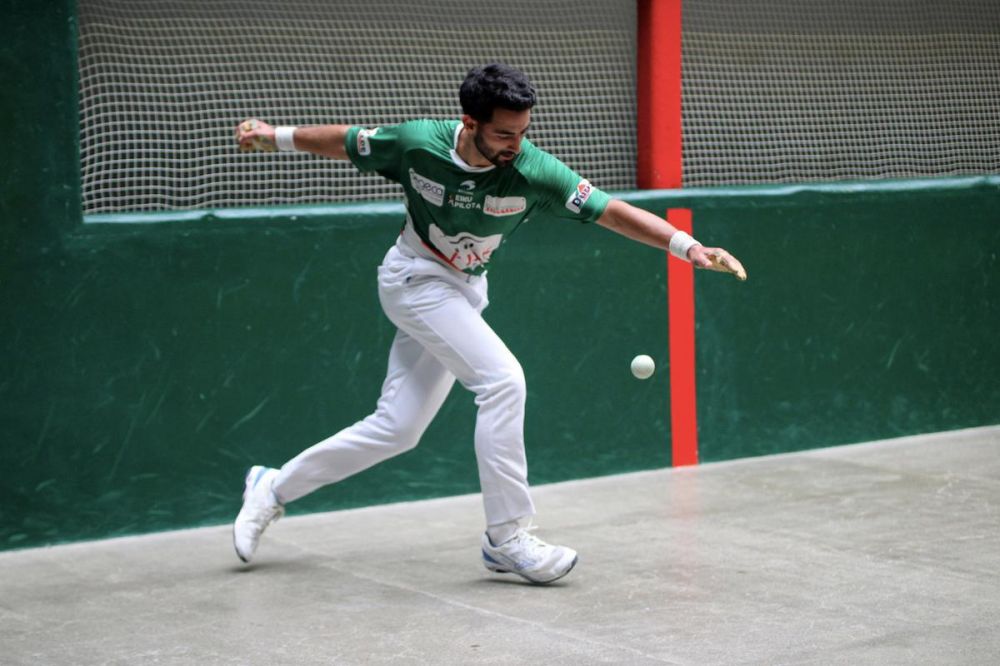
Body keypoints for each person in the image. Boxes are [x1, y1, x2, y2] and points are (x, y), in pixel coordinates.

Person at [232, 63, 743, 584]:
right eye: (503, 133)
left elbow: (609, 211)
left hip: (466, 290)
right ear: (470, 122)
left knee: (398, 429)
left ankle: (272, 487)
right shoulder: (417, 144)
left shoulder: (534, 171)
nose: (515, 145)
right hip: (415, 279)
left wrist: (688, 246)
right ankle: (507, 537)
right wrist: (273, 136)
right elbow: (346, 142)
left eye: (523, 132)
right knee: (503, 382)